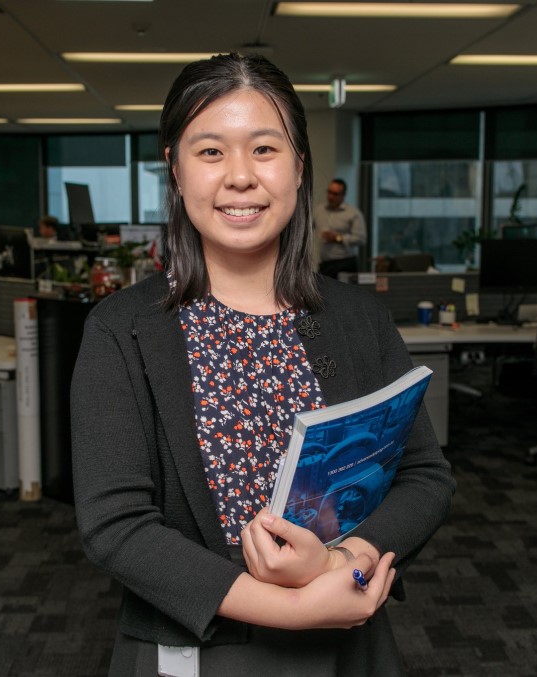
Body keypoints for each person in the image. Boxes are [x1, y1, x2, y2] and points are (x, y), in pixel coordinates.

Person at [70, 53, 454, 676]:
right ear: (174, 166)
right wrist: (292, 607)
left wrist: (342, 563)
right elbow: (116, 526)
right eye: (211, 151)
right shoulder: (122, 331)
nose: (240, 177)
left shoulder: (359, 320)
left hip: (345, 639)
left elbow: (425, 477)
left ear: (300, 166)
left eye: (265, 149)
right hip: (194, 646)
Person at [314, 178, 366, 278]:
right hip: (325, 264)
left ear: (343, 195)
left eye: (335, 194)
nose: (331, 197)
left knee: (344, 292)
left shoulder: (353, 213)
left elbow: (361, 239)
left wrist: (338, 238)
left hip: (345, 263)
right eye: (329, 192)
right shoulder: (319, 210)